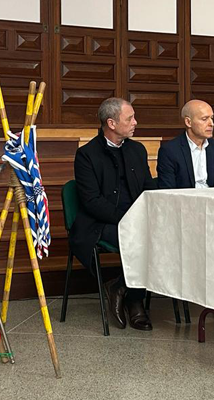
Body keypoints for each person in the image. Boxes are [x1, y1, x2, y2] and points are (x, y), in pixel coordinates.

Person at [72, 97, 157, 331]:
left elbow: (148, 186)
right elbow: (92, 202)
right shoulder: (87, 155)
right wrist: (129, 219)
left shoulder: (137, 149)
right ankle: (136, 301)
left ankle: (120, 286)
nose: (135, 122)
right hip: (102, 222)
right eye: (129, 118)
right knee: (139, 238)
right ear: (111, 123)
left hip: (139, 218)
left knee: (165, 234)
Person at [157, 99, 214, 189]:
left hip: (212, 200)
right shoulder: (170, 150)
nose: (212, 124)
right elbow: (167, 190)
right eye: (204, 119)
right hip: (184, 201)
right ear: (188, 122)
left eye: (212, 118)